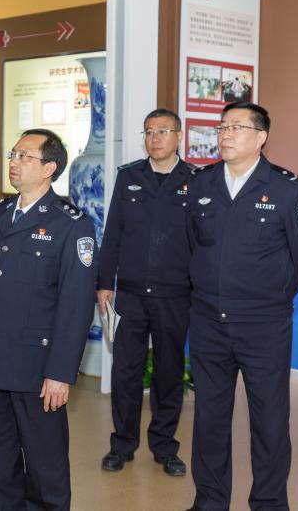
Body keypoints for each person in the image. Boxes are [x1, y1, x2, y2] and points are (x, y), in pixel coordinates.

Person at [184, 102, 298, 511]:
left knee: (270, 421)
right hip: (209, 322)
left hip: (263, 325)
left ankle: (269, 502)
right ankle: (210, 501)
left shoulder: (286, 189)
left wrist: (271, 297)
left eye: (236, 127)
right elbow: (193, 246)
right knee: (209, 418)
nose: (225, 134)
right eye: (222, 127)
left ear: (261, 137)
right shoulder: (202, 184)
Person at [0, 128, 97, 511]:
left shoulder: (71, 224)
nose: (14, 163)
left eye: (24, 156)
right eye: (13, 155)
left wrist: (60, 373)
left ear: (49, 168)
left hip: (37, 368)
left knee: (45, 467)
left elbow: (76, 306)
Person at [97, 108, 193, 476]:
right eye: (149, 131)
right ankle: (121, 444)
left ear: (179, 136)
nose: (155, 138)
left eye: (163, 131)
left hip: (175, 296)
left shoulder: (195, 180)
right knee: (125, 371)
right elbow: (113, 233)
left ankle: (165, 446)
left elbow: (202, 241)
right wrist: (104, 283)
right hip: (131, 295)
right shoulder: (129, 177)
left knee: (168, 373)